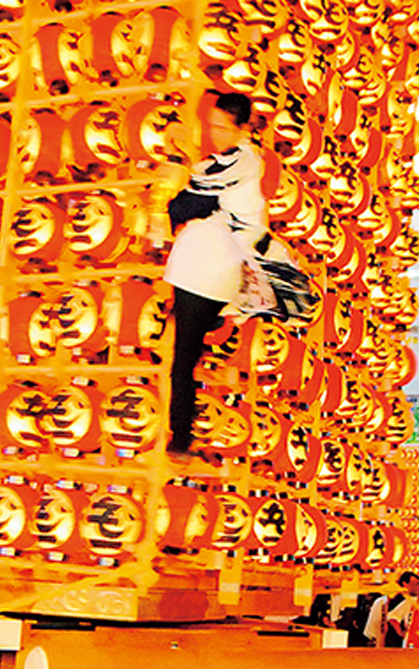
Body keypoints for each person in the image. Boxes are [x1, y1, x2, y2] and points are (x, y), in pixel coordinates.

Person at [163, 92, 267, 460]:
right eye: (212, 126)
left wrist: (178, 207)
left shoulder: (240, 164)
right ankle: (187, 431)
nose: (216, 134)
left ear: (241, 130)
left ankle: (181, 435)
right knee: (189, 352)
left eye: (223, 128)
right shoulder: (231, 162)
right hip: (208, 269)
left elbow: (190, 201)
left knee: (184, 356)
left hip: (210, 272)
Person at [365, 571, 417, 647]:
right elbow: (392, 618)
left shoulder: (410, 600)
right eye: (414, 583)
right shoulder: (398, 600)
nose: (416, 587)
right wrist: (401, 633)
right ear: (405, 584)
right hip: (392, 639)